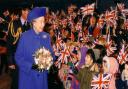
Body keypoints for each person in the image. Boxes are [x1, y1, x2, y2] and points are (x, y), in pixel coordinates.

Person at [15, 7, 55, 89]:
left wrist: (48, 61)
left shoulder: (46, 36)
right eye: (40, 22)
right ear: (33, 22)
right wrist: (31, 66)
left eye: (44, 21)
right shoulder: (24, 37)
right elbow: (18, 57)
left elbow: (52, 55)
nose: (43, 24)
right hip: (28, 77)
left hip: (42, 78)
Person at [7, 5, 30, 89]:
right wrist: (10, 61)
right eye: (28, 11)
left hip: (28, 60)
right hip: (17, 59)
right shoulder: (14, 24)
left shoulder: (30, 25)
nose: (30, 13)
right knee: (16, 82)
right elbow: (9, 43)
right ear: (23, 11)